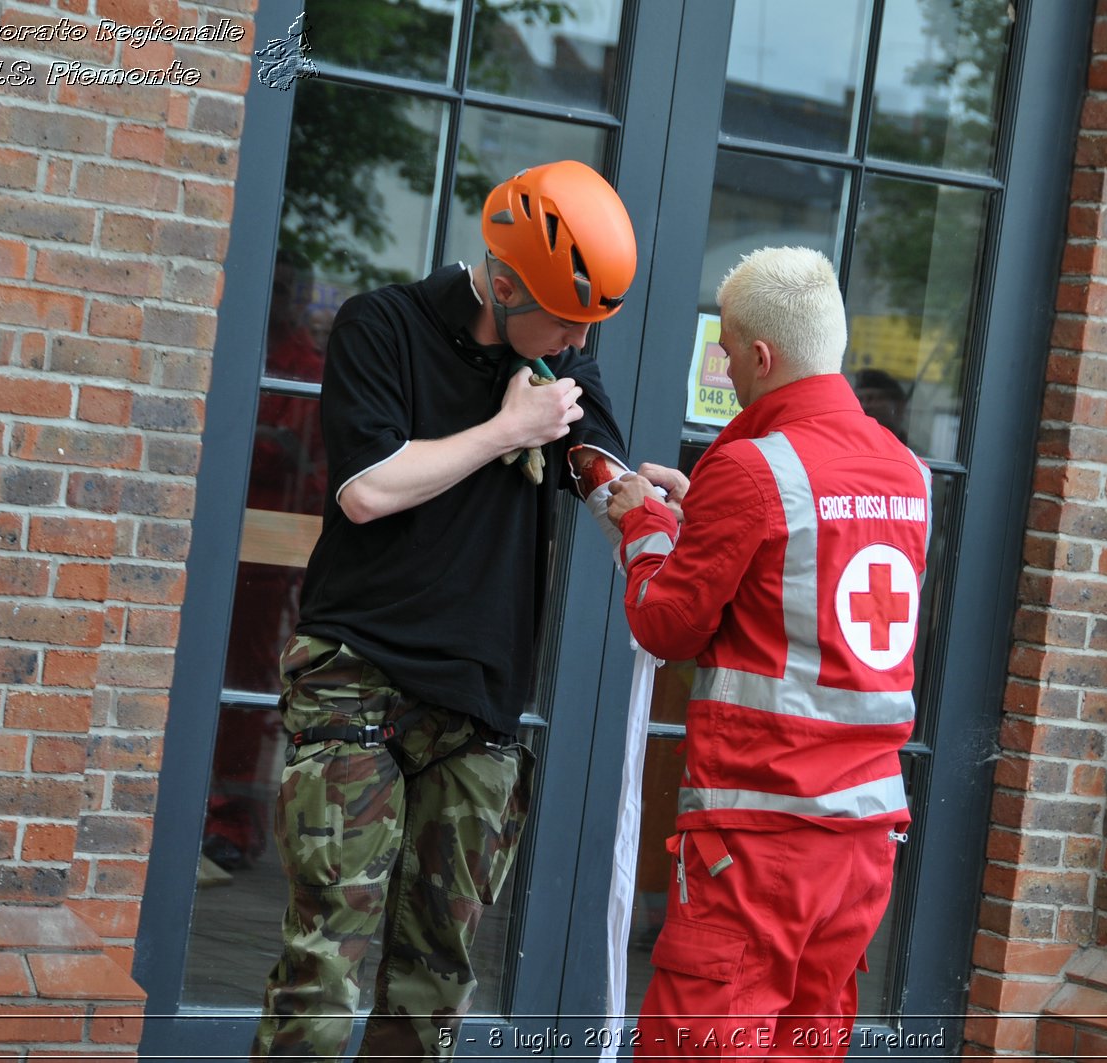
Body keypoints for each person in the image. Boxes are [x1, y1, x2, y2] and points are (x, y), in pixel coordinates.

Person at [251, 160, 638, 1060]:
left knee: (434, 986)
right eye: (564, 317)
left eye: (590, 324)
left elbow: (596, 461)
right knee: (324, 965)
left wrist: (639, 497)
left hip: (478, 705)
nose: (578, 339)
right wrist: (507, 429)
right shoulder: (380, 325)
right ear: (503, 281)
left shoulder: (561, 354)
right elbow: (365, 491)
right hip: (358, 680)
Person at [607, 247, 931, 1058]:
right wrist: (706, 522)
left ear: (761, 355)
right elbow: (799, 587)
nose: (719, 359)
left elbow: (666, 624)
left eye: (726, 345)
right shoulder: (907, 472)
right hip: (861, 841)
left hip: (758, 842)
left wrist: (647, 530)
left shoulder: (751, 467)